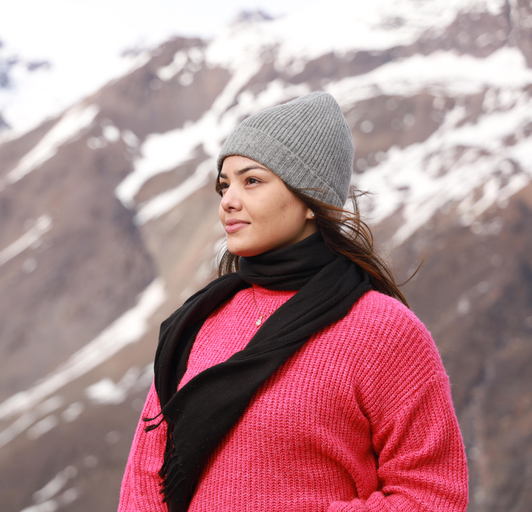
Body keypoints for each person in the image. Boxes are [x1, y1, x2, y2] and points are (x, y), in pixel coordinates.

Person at [118, 92, 469, 512]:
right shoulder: (199, 321)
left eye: (252, 181)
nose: (228, 200)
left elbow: (433, 494)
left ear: (310, 199)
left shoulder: (384, 330)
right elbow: (145, 473)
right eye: (224, 185)